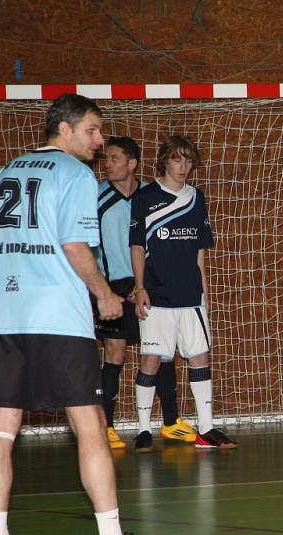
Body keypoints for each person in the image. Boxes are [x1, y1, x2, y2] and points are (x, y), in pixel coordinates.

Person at [0, 93, 154, 535]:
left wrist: (3, 305)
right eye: (93, 130)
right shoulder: (75, 176)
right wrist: (102, 293)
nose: (100, 142)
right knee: (90, 426)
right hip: (59, 319)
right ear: (65, 130)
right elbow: (74, 245)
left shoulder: (5, 173)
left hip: (9, 321)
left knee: (0, 430)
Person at [130, 134, 237, 450]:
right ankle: (144, 430)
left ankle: (206, 430)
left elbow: (200, 252)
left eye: (188, 160)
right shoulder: (145, 198)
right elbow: (136, 247)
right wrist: (139, 288)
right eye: (177, 159)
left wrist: (205, 291)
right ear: (165, 160)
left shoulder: (196, 197)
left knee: (200, 358)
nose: (183, 166)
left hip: (190, 297)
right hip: (156, 297)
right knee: (150, 360)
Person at [95, 136, 194, 450]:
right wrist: (102, 289)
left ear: (132, 163)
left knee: (160, 351)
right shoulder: (95, 198)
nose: (107, 164)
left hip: (148, 285)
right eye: (106, 158)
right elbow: (83, 246)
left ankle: (170, 422)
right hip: (112, 286)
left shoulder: (153, 196)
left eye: (114, 158)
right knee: (115, 352)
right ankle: (106, 426)